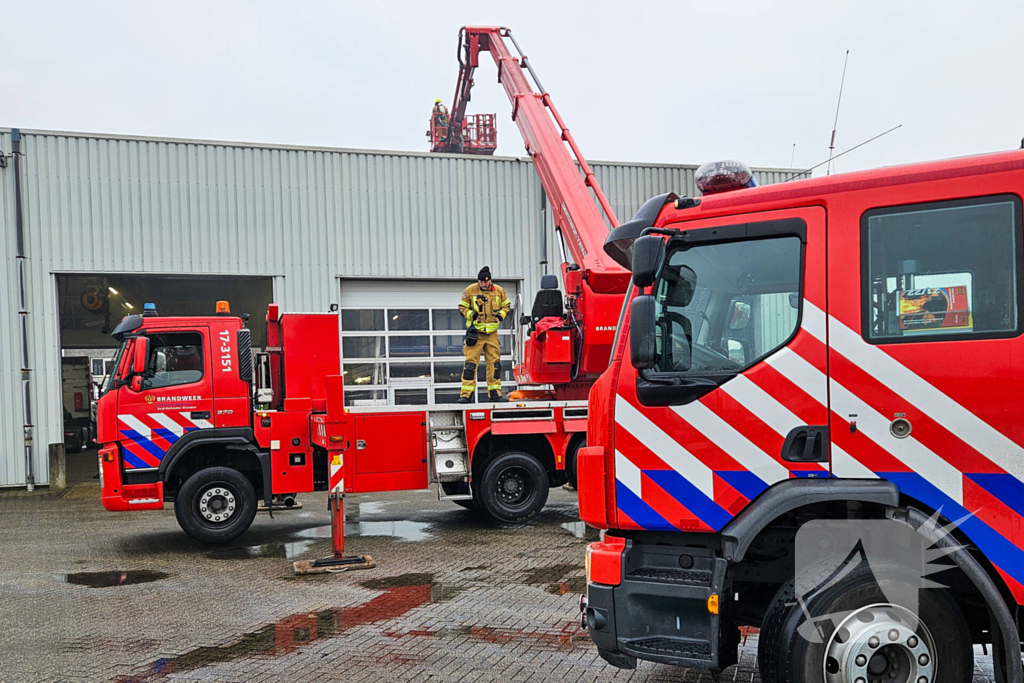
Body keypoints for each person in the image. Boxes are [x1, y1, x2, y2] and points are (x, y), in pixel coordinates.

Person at [457, 266, 510, 403]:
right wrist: (472, 315)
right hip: (475, 334)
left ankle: (494, 394)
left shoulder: (499, 291)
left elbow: (506, 305)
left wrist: (500, 316)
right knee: (470, 365)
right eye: (481, 282)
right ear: (478, 281)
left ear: (490, 280)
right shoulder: (470, 290)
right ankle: (466, 395)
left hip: (492, 334)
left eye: (486, 282)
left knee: (495, 364)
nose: (484, 284)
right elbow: (462, 307)